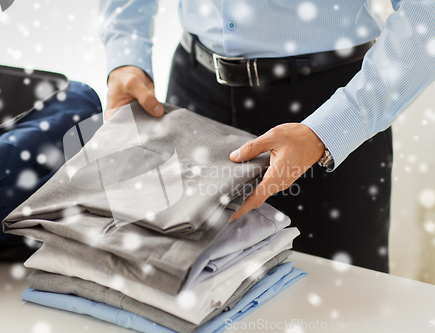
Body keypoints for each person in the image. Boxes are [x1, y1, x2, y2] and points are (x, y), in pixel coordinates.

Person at [98, 0, 435, 273]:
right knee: (185, 285)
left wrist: (328, 130)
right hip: (194, 95)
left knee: (340, 305)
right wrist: (126, 55)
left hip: (329, 109)